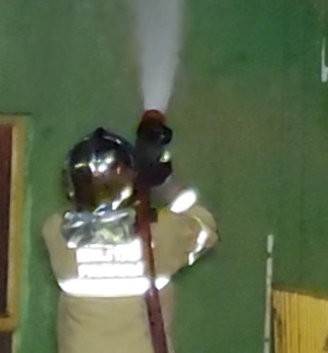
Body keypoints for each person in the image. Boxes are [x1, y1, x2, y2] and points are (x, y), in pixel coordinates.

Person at [42, 121, 217, 353]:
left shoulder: (56, 234)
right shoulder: (160, 234)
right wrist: (165, 183)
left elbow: (79, 213)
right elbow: (205, 226)